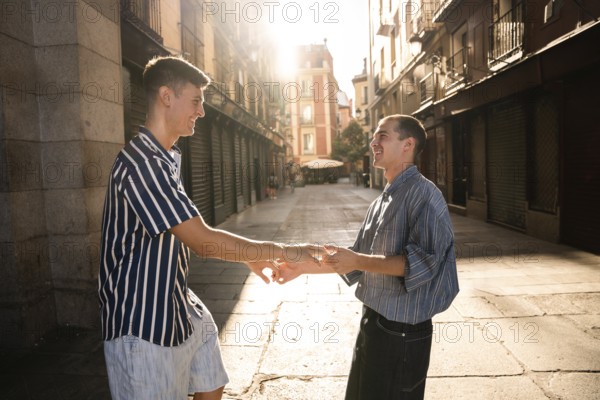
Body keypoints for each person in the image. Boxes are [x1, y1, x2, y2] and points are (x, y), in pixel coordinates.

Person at [98, 56, 315, 400]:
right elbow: (202, 240)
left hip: (179, 307)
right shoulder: (143, 164)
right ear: (166, 96)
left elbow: (192, 231)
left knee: (211, 381)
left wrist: (246, 257)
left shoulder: (166, 158)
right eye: (196, 101)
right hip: (141, 326)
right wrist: (283, 251)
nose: (201, 112)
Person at [274, 114, 459, 400]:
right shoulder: (382, 200)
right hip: (374, 323)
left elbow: (421, 264)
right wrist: (302, 268)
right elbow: (353, 259)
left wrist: (357, 260)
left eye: (382, 135)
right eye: (374, 136)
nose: (373, 141)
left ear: (407, 144)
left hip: (403, 333)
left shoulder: (425, 195)